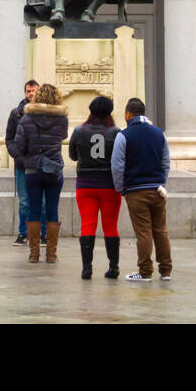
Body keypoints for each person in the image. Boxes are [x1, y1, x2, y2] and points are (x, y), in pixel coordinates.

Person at [111, 97, 172, 282]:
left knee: (143, 232)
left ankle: (145, 272)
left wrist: (122, 189)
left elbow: (117, 166)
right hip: (157, 189)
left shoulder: (124, 135)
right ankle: (166, 271)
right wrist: (162, 183)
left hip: (136, 190)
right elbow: (166, 162)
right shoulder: (159, 134)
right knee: (160, 230)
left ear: (128, 114)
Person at [11, 82, 69, 263]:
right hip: (54, 170)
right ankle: (51, 254)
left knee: (33, 210)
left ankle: (34, 254)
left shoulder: (26, 119)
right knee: (52, 210)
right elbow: (63, 136)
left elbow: (19, 146)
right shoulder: (62, 119)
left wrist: (26, 155)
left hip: (32, 171)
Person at [68, 95, 122, 280]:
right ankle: (113, 267)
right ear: (110, 112)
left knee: (87, 225)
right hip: (109, 186)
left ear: (90, 111)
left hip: (85, 185)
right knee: (110, 227)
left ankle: (86, 269)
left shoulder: (78, 131)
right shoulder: (115, 132)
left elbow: (73, 156)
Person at [5, 79, 40, 244]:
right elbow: (9, 139)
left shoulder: (45, 113)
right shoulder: (16, 113)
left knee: (42, 201)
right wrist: (17, 156)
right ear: (25, 93)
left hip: (40, 164)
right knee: (24, 201)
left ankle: (42, 234)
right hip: (22, 165)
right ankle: (23, 233)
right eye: (28, 91)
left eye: (34, 91)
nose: (31, 94)